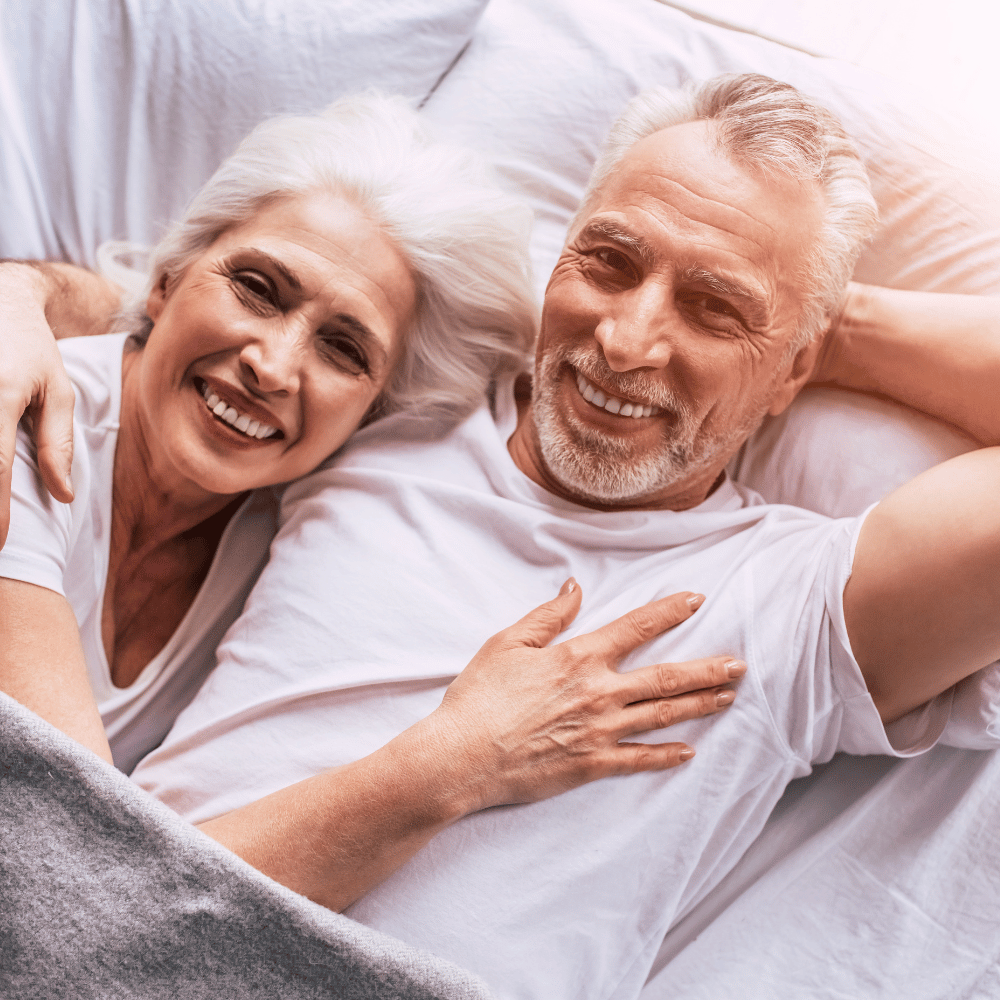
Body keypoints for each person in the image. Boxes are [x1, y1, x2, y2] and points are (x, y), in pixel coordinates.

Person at [5, 73, 1000, 998]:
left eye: (712, 308)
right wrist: (25, 295)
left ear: (791, 371)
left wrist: (828, 317)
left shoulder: (795, 604)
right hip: (114, 943)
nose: (624, 339)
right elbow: (191, 312)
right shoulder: (390, 405)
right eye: (609, 261)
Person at [0, 92, 742, 915]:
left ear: (375, 408)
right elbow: (67, 871)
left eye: (344, 348)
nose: (274, 367)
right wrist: (458, 759)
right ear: (170, 278)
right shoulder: (22, 418)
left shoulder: (283, 515)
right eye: (257, 288)